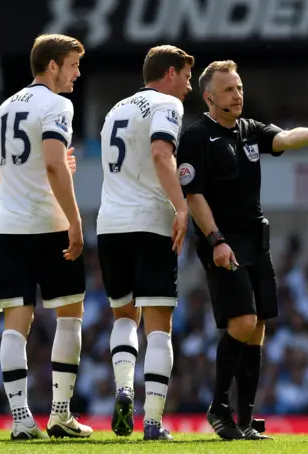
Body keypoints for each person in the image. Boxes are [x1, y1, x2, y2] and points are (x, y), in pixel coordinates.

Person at [176, 60, 308, 441]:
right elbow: (194, 196)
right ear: (209, 97)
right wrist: (216, 241)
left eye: (239, 87)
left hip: (256, 239)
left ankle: (245, 418)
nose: (237, 94)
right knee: (241, 322)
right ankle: (218, 405)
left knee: (257, 329)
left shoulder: (250, 130)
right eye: (228, 90)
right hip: (223, 240)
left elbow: (286, 138)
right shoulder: (196, 137)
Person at [0, 34, 92, 440]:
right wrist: (75, 221)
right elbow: (52, 163)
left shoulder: (5, 107)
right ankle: (60, 415)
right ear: (52, 66)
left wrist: (36, 166)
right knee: (70, 315)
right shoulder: (57, 104)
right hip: (49, 225)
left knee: (16, 326)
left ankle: (20, 421)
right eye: (72, 65)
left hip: (10, 227)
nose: (76, 74)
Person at [97, 45, 194, 441]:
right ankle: (152, 422)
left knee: (123, 318)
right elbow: (160, 153)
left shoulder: (114, 110)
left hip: (110, 225)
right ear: (170, 73)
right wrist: (182, 207)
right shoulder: (167, 106)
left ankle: (123, 389)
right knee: (159, 330)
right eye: (187, 76)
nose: (189, 86)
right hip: (151, 223)